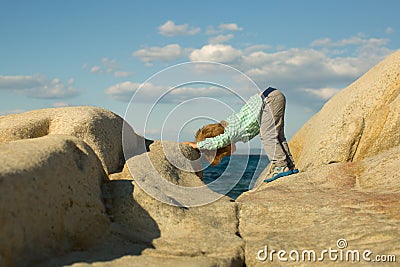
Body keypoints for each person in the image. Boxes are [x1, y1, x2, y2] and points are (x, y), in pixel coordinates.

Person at [183, 87, 298, 181]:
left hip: (269, 100)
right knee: (277, 136)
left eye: (224, 154)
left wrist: (198, 145)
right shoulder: (229, 124)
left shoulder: (231, 131)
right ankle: (289, 164)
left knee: (268, 136)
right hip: (270, 97)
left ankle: (281, 165)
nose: (229, 155)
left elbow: (218, 140)